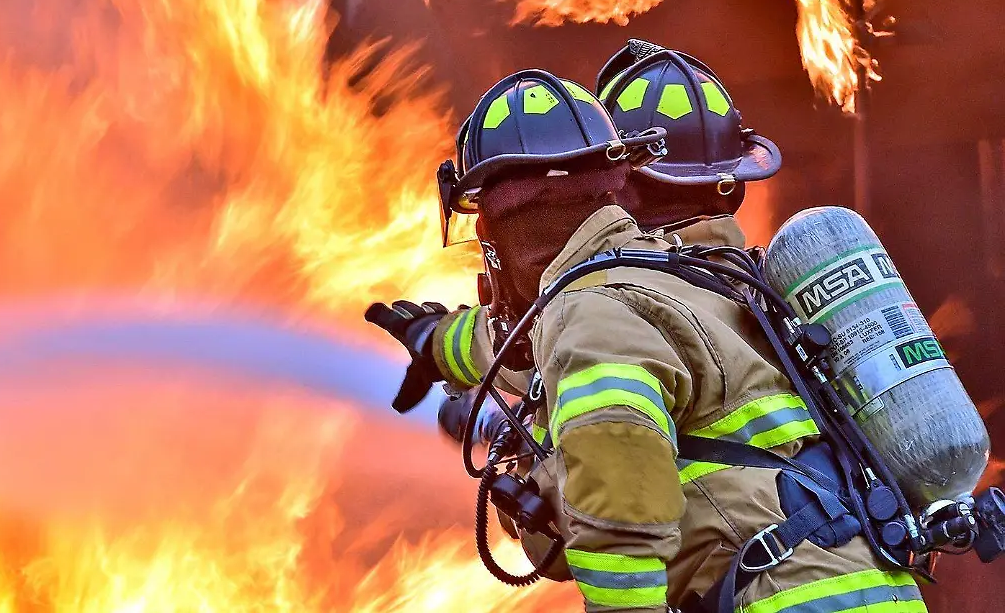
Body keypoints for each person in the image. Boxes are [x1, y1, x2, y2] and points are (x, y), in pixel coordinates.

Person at [367, 41, 926, 613]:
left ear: (507, 230)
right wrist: (435, 343)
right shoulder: (701, 280)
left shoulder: (594, 313)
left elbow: (618, 522)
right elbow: (521, 342)